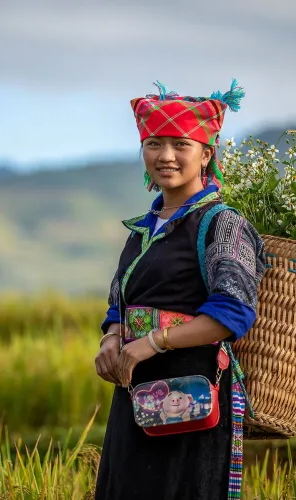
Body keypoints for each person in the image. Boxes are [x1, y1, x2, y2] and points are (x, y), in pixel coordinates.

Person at [93, 80, 267, 500]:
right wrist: (112, 339)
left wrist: (152, 342)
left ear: (207, 153)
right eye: (154, 144)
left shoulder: (223, 225)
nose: (165, 156)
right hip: (135, 392)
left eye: (180, 144)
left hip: (193, 393)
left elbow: (232, 314)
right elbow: (119, 303)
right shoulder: (141, 230)